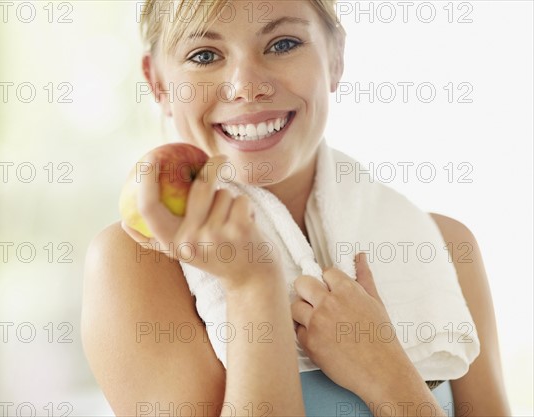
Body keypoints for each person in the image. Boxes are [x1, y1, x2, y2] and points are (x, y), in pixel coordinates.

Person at [81, 1, 511, 416]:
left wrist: (389, 378)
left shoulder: (446, 248)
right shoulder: (136, 265)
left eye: (283, 44)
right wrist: (253, 287)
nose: (246, 85)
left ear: (336, 57)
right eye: (205, 54)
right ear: (157, 83)